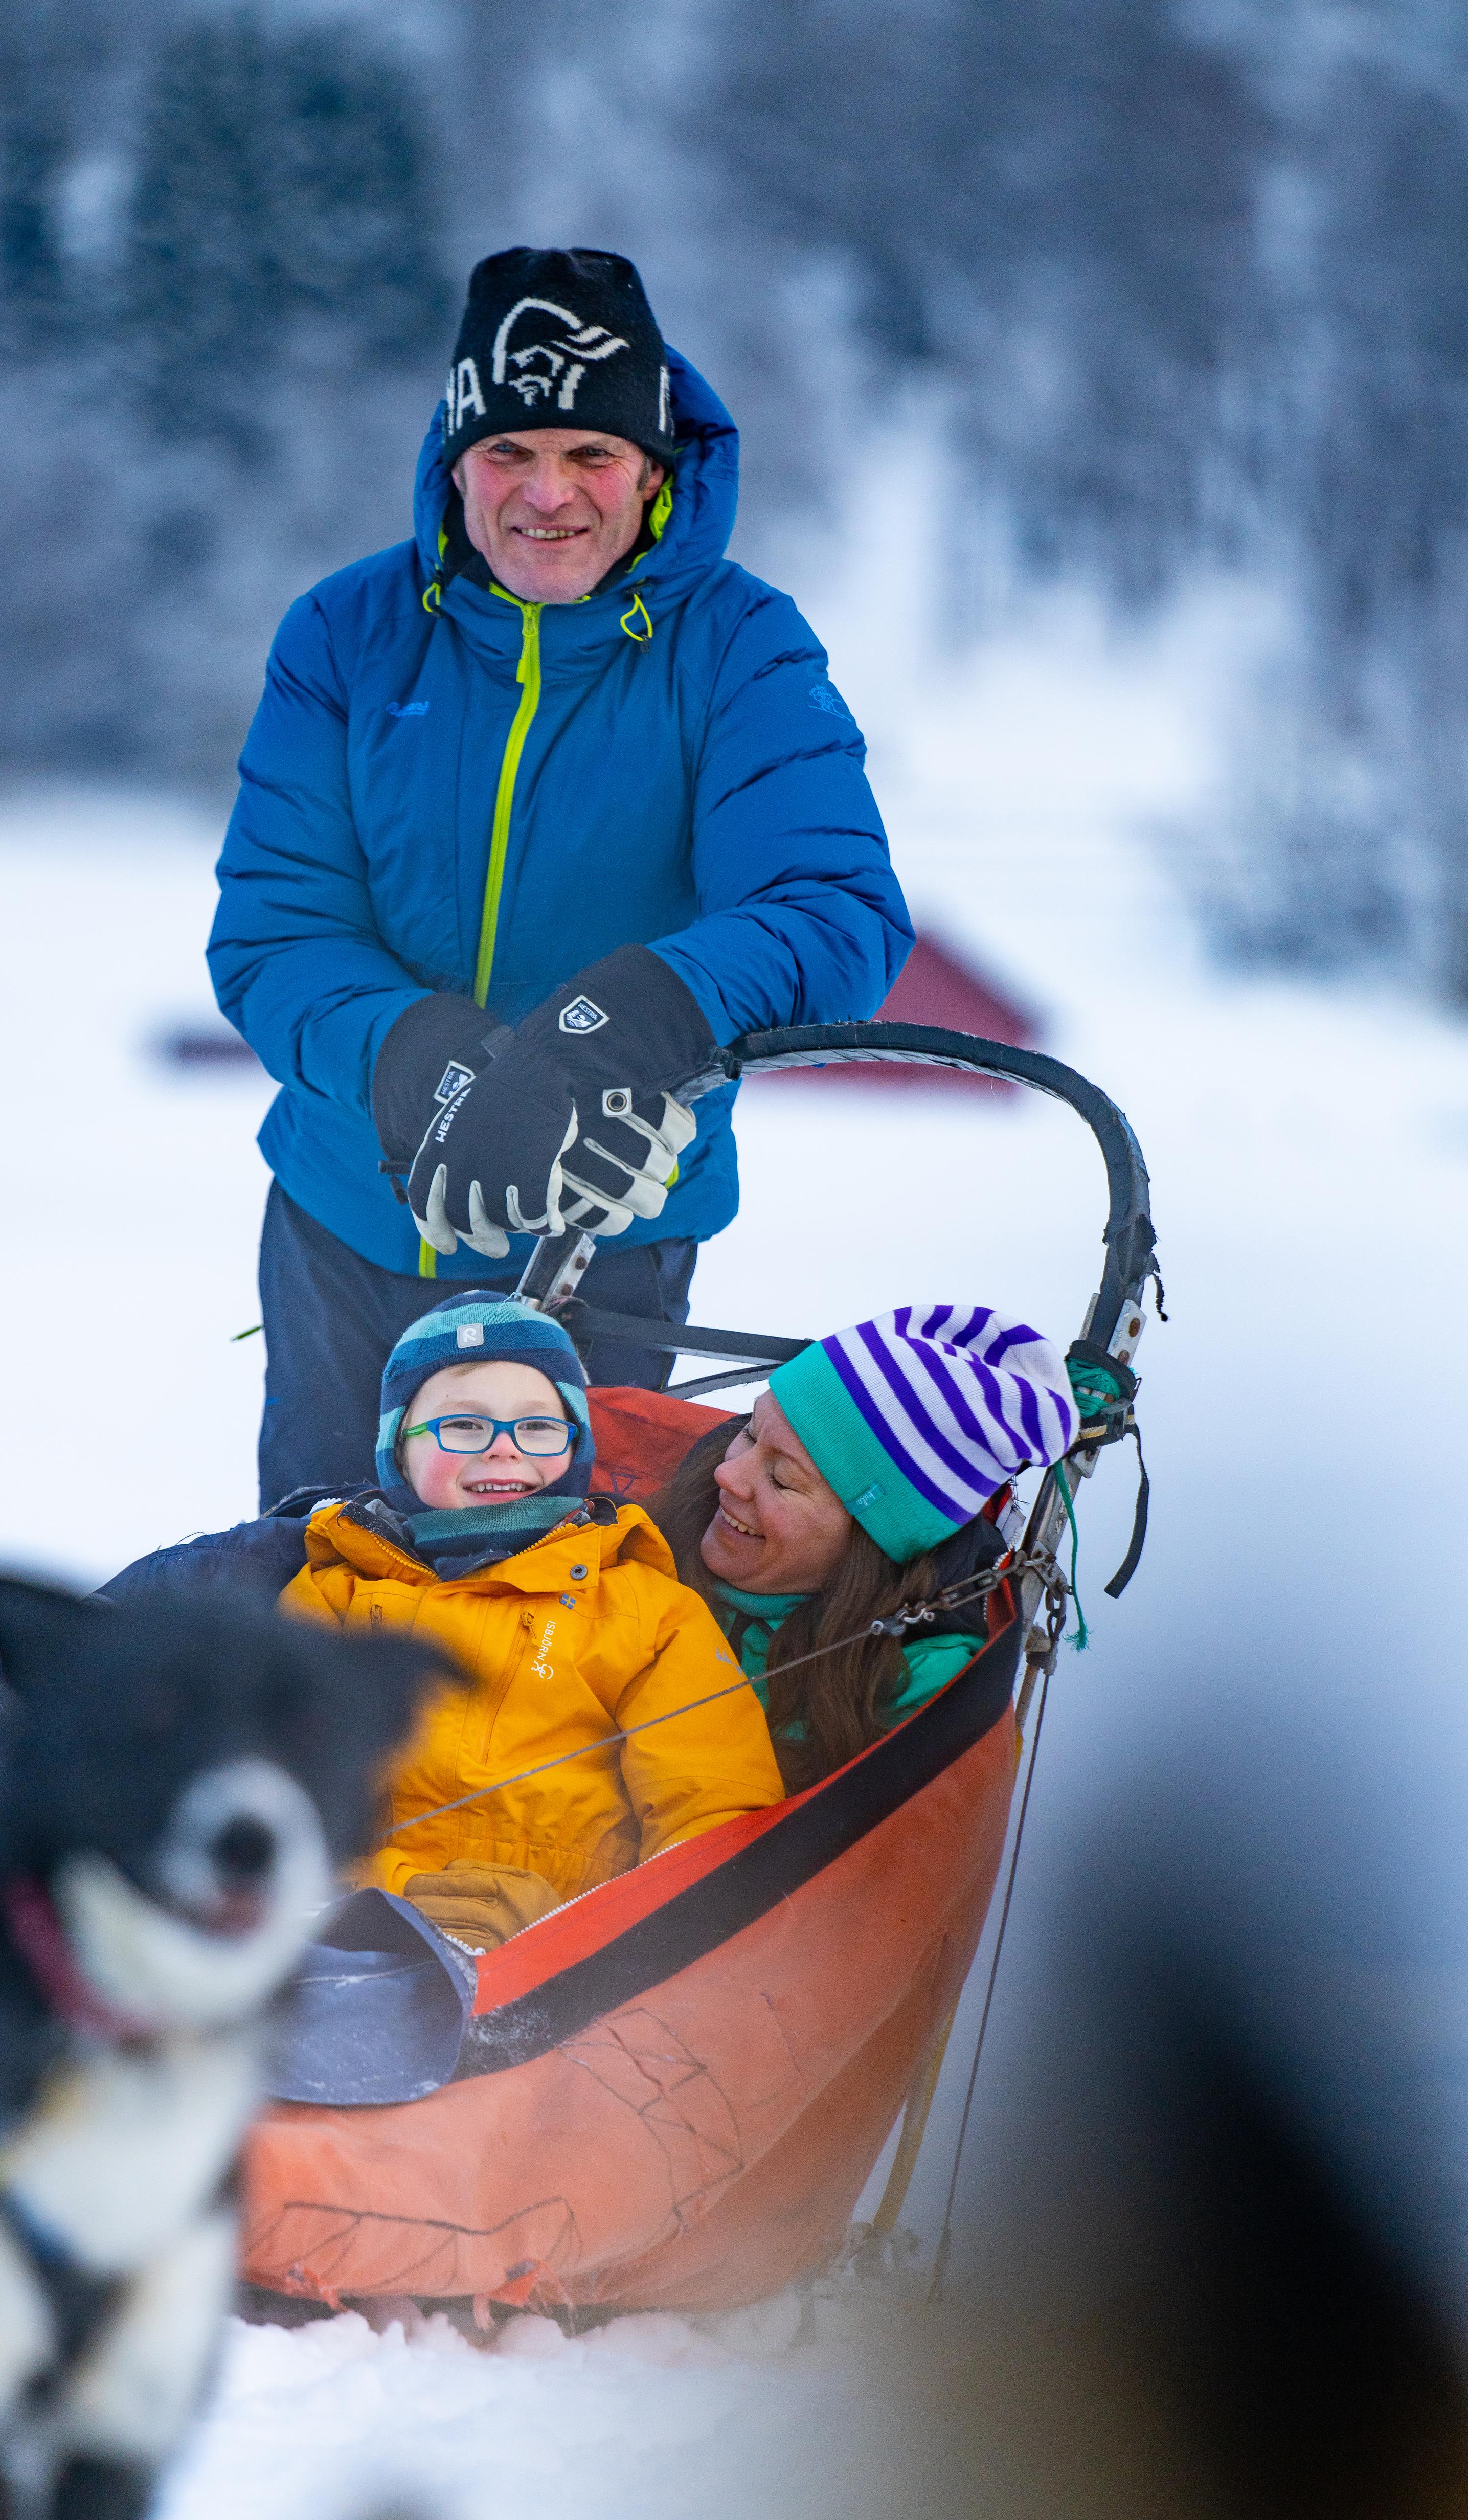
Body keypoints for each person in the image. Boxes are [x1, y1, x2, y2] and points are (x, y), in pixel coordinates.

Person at [210, 244, 913, 1510]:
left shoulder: (741, 644)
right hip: (345, 1236)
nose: (548, 496)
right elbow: (274, 931)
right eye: (510, 454)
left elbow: (833, 909)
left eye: (590, 455)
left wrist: (617, 1018)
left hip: (606, 1245)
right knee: (318, 1612)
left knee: (564, 1640)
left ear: (654, 470)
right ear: (454, 461)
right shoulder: (344, 632)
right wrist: (422, 1054)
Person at [278, 1291, 783, 1950]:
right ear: (397, 1447)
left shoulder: (644, 1608)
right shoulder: (335, 1597)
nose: (504, 1450)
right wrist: (380, 1899)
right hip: (356, 1950)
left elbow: (714, 1814)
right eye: (463, 1425)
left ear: (576, 1448)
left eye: (539, 1427)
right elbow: (271, 1796)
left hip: (571, 1973)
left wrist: (591, 1941)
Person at [648, 1308, 1082, 1790]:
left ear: (872, 1542)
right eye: (749, 1433)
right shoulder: (653, 1524)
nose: (727, 1475)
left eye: (783, 1479)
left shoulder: (920, 1692)